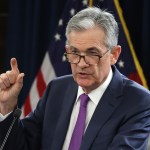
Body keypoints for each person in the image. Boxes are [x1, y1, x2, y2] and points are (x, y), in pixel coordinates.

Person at [0, 7, 150, 150]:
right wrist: (7, 106)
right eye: (75, 52)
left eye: (92, 53)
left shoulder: (138, 101)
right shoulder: (56, 89)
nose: (81, 63)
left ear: (114, 55)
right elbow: (22, 146)